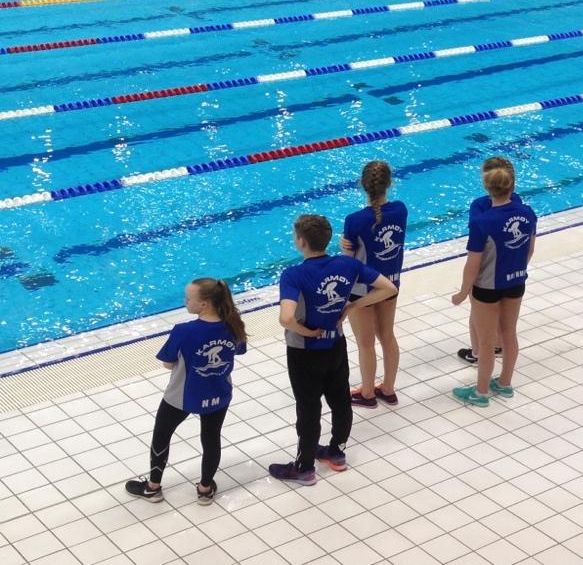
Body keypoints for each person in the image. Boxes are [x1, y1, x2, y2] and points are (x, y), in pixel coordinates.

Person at [269, 214, 399, 485]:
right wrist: (353, 305)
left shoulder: (293, 275)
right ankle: (336, 452)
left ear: (301, 242)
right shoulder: (347, 264)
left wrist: (305, 331)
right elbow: (388, 287)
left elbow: (286, 318)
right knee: (340, 401)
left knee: (308, 409)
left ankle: (304, 467)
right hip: (336, 346)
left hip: (304, 352)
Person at [125, 278, 247, 503]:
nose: (185, 301)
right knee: (211, 439)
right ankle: (204, 489)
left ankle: (153, 487)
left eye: (189, 298)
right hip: (218, 393)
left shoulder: (184, 331)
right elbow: (238, 351)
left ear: (204, 303)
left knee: (162, 435)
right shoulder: (234, 324)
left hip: (182, 395)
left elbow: (168, 362)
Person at [451, 167, 537, 407]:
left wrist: (462, 292)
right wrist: (515, 269)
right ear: (512, 186)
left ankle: (481, 393)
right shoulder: (528, 213)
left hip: (487, 288)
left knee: (487, 341)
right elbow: (529, 249)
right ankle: (505, 383)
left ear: (487, 188)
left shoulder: (483, 221)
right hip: (517, 282)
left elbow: (472, 264)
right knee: (509, 333)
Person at [342, 161, 407, 409]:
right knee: (387, 336)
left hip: (362, 288)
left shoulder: (355, 220)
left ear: (363, 185)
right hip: (391, 283)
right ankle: (388, 389)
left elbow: (349, 263)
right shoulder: (400, 210)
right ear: (389, 183)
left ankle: (368, 393)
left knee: (366, 343)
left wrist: (342, 248)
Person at [458, 157, 520, 364]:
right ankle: (500, 347)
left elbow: (475, 252)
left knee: (478, 313)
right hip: (512, 270)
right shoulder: (519, 203)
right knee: (506, 319)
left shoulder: (479, 206)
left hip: (485, 272)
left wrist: (464, 289)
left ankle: (477, 352)